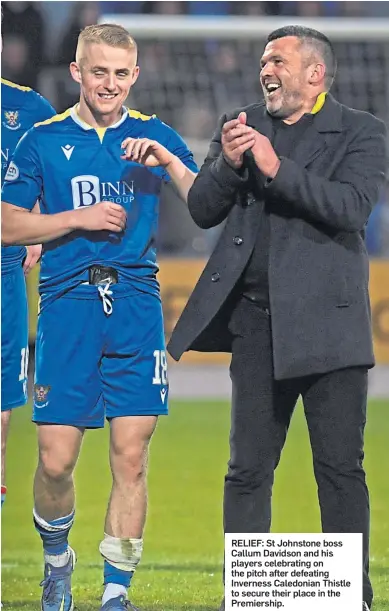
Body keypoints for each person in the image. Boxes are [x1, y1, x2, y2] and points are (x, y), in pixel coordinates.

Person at [167, 25, 387, 611]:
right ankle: (247, 596)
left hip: (328, 329)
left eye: (278, 60)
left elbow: (350, 209)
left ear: (315, 73)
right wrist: (227, 165)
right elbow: (203, 209)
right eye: (264, 60)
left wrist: (273, 166)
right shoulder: (242, 123)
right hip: (257, 326)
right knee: (245, 470)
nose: (266, 69)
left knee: (339, 470)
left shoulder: (362, 131)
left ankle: (351, 598)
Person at [2, 23, 197, 611]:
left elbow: (206, 204)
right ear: (77, 74)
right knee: (56, 460)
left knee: (131, 456)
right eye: (98, 71)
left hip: (137, 306)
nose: (108, 83)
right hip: (66, 308)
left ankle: (116, 592)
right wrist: (75, 220)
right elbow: (8, 223)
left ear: (133, 76)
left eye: (120, 73)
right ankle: (57, 560)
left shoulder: (153, 136)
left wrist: (170, 159)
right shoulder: (41, 138)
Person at [1, 77, 56, 508]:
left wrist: (36, 219)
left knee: (2, 410)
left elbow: (53, 172)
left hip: (4, 270)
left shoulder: (28, 107)